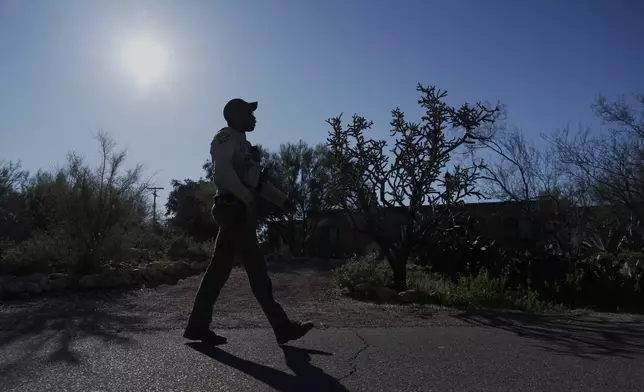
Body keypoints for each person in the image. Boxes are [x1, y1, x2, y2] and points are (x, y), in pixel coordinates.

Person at [183, 98, 314, 346]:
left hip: (239, 209)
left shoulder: (246, 146)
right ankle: (282, 327)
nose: (254, 118)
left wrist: (282, 201)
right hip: (233, 209)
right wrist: (247, 199)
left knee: (217, 272)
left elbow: (258, 183)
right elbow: (222, 172)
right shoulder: (225, 138)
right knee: (256, 270)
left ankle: (197, 326)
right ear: (235, 116)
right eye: (249, 113)